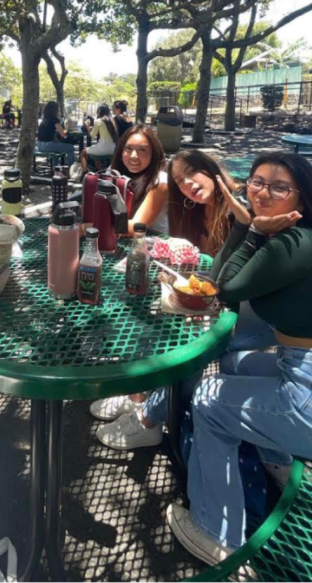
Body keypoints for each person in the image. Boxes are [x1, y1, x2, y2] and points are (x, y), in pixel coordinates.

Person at [165, 151, 312, 565]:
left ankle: (215, 533)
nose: (263, 192)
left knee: (208, 399)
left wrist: (253, 232)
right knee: (233, 365)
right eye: (258, 181)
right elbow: (218, 276)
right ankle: (274, 458)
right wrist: (246, 227)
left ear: (301, 197)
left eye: (280, 187)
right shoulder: (282, 238)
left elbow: (225, 289)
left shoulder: (300, 242)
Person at [93, 149, 237, 448]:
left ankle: (148, 419)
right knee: (151, 317)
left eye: (192, 174)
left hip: (246, 309)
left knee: (190, 343)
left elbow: (239, 277)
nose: (189, 185)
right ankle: (138, 395)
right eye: (181, 182)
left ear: (210, 169)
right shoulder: (195, 209)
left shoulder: (238, 209)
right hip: (212, 295)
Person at [36, 101, 76, 167]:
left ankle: (55, 168)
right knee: (71, 148)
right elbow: (63, 134)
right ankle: (71, 169)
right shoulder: (54, 119)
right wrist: (68, 125)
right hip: (47, 145)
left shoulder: (44, 119)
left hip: (39, 145)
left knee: (57, 148)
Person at [80, 104, 118, 171]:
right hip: (113, 148)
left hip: (102, 148)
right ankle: (101, 170)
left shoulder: (99, 121)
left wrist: (87, 126)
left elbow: (92, 135)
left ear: (99, 111)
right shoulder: (113, 121)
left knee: (83, 152)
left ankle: (84, 172)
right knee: (95, 151)